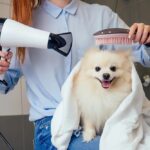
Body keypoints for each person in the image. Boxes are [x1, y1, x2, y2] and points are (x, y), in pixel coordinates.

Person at [0, 0, 150, 149]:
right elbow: (4, 84)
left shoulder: (101, 16)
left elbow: (143, 54)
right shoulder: (23, 25)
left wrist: (147, 39)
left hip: (101, 122)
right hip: (51, 128)